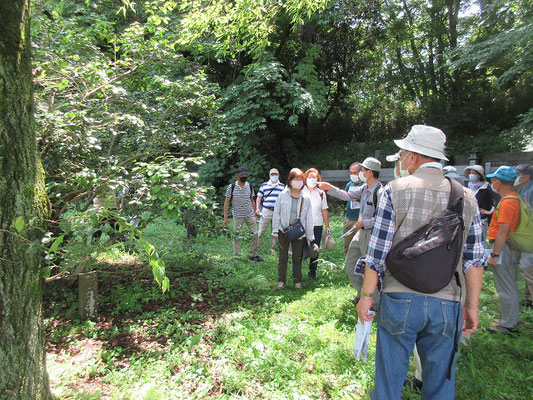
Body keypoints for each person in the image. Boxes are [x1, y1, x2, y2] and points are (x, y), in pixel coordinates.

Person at [356, 125, 484, 399]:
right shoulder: (468, 197)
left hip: (399, 297)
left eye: (402, 154)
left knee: (388, 381)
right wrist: (471, 305)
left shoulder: (394, 190)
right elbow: (474, 260)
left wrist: (366, 295)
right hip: (448, 302)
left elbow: (377, 253)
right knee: (440, 384)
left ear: (413, 157)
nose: (400, 160)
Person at [318, 157, 382, 301]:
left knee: (370, 270)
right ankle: (362, 294)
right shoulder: (364, 188)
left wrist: (364, 222)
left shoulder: (380, 192)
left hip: (371, 234)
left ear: (370, 172)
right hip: (360, 233)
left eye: (362, 170)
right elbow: (347, 195)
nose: (360, 173)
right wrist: (330, 188)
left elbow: (382, 219)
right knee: (350, 263)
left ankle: (375, 302)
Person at [485, 166, 522, 334]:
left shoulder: (508, 202)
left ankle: (507, 324)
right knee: (509, 283)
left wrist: (494, 254)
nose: (492, 183)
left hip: (503, 247)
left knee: (506, 286)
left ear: (499, 182)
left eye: (493, 180)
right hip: (508, 246)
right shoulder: (513, 198)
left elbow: (503, 231)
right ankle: (511, 318)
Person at [271, 168, 314, 289]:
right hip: (283, 231)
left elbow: (309, 218)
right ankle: (281, 281)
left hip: (298, 232)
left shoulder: (306, 197)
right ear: (290, 181)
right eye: (296, 179)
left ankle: (297, 281)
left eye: (301, 179)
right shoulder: (282, 195)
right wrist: (275, 230)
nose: (298, 182)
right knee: (283, 257)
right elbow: (276, 214)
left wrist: (311, 237)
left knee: (297, 258)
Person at [224, 166, 263, 262]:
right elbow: (227, 201)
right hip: (237, 215)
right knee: (237, 235)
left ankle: (252, 255)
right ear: (237, 176)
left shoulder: (249, 186)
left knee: (255, 234)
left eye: (246, 174)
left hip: (249, 214)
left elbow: (252, 200)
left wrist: (254, 213)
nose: (244, 176)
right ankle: (236, 256)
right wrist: (225, 217)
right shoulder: (231, 187)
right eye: (242, 174)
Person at [303, 168, 330, 280]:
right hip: (303, 224)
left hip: (317, 224)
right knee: (300, 248)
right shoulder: (301, 190)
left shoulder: (321, 193)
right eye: (309, 177)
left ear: (318, 179)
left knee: (315, 250)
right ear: (305, 178)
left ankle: (312, 272)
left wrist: (327, 225)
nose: (311, 179)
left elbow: (324, 210)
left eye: (314, 177)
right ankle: (296, 272)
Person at [514, 164, 533, 309]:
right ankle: (529, 297)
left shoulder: (530, 192)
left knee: (528, 267)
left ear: (525, 177)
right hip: (526, 236)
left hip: (529, 236)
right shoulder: (524, 190)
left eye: (518, 174)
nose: (516, 177)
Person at [464, 165, 500, 236]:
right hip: (468, 218)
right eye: (470, 173)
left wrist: (490, 211)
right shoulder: (467, 186)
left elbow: (498, 198)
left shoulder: (486, 187)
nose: (471, 175)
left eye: (474, 173)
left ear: (479, 175)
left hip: (481, 219)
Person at [256, 168, 286, 254]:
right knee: (261, 231)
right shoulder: (264, 185)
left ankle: (272, 248)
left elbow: (284, 199)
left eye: (275, 174)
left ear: (278, 175)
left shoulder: (282, 186)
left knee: (275, 231)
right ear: (269, 175)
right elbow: (259, 197)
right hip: (266, 210)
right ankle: (257, 248)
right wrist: (257, 208)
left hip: (277, 211)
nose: (274, 176)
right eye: (272, 174)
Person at [342, 162, 363, 255]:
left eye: (354, 172)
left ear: (360, 172)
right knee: (347, 244)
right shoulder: (348, 185)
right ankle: (347, 264)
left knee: (360, 244)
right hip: (349, 219)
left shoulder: (365, 185)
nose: (352, 175)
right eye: (351, 173)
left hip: (360, 219)